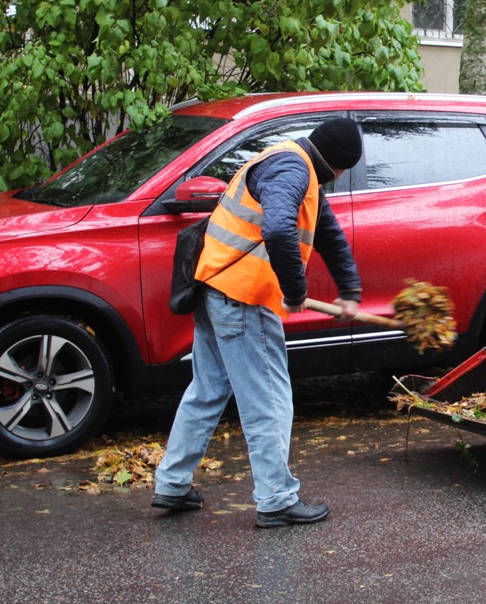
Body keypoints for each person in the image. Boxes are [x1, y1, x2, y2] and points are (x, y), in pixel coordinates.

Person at [152, 116, 364, 528]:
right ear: (335, 163)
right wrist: (296, 290)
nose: (338, 178)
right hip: (243, 298)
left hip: (216, 290)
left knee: (208, 390)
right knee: (268, 399)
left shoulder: (294, 165)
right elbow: (281, 231)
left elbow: (329, 234)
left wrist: (350, 290)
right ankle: (276, 499)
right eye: (342, 170)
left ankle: (172, 484)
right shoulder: (293, 169)